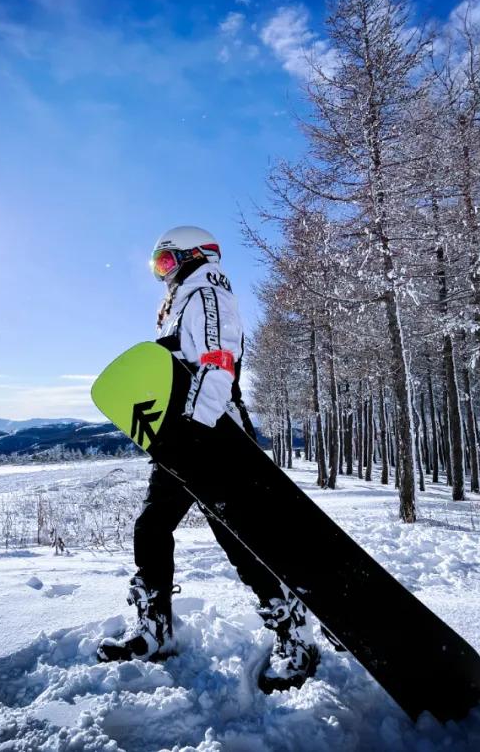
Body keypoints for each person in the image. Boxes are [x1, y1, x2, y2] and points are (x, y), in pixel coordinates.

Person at [96, 225, 320, 693]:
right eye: (156, 265)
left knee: (238, 539)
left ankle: (294, 635)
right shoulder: (181, 300)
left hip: (212, 436)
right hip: (181, 437)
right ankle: (155, 628)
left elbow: (219, 362)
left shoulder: (209, 292)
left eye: (165, 262)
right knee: (152, 526)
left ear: (193, 255)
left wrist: (197, 430)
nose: (162, 274)